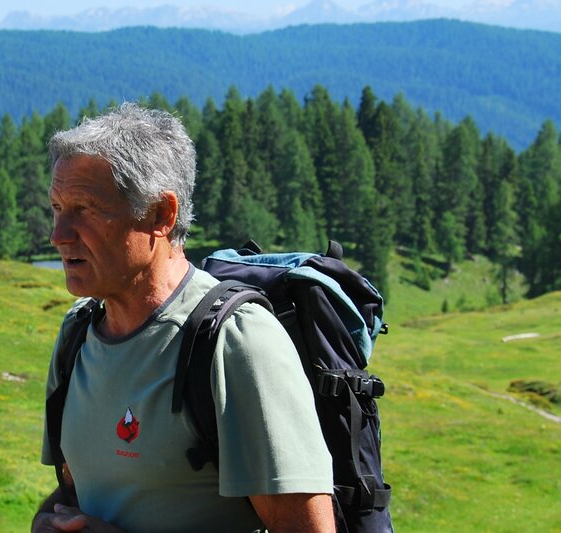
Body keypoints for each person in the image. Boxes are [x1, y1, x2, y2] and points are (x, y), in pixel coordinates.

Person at [34, 103, 335, 533]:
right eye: (57, 207)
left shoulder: (235, 343)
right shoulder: (77, 336)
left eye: (85, 209)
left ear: (161, 215)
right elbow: (78, 490)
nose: (59, 235)